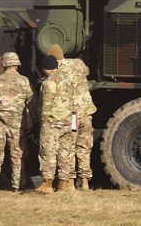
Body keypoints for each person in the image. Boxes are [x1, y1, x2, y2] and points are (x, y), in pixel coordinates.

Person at [0, 52, 36, 192]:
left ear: (3, 64)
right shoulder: (25, 82)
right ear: (17, 64)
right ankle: (17, 185)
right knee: (17, 155)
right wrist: (35, 121)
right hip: (17, 125)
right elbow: (32, 103)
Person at [49, 44, 96, 191]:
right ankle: (85, 181)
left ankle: (70, 181)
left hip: (73, 115)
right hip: (86, 113)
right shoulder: (78, 63)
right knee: (85, 147)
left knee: (70, 146)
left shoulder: (57, 73)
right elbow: (87, 71)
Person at [35, 55, 74, 193]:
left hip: (52, 122)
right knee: (64, 152)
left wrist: (43, 123)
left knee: (48, 151)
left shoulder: (49, 82)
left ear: (44, 68)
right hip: (67, 122)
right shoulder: (67, 79)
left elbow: (46, 104)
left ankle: (47, 183)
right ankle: (63, 183)